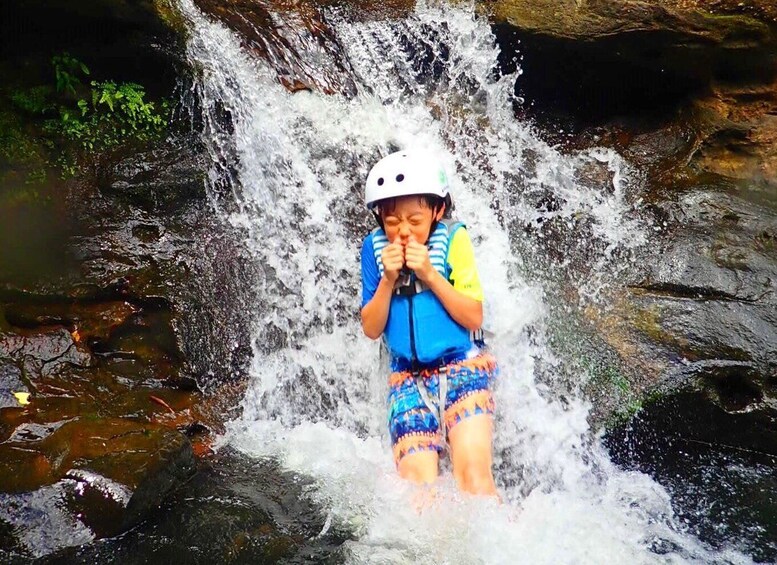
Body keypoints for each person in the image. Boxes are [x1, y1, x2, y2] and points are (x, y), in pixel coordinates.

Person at [359, 149, 499, 496]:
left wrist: (429, 274)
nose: (403, 231)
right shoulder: (373, 250)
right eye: (392, 222)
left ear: (438, 211)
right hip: (407, 378)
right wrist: (388, 280)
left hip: (462, 367)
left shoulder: (454, 239)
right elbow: (371, 328)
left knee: (473, 478)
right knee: (417, 494)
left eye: (415, 220)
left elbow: (473, 316)